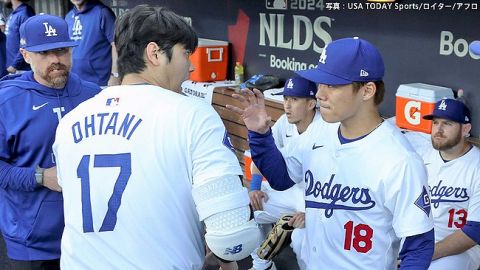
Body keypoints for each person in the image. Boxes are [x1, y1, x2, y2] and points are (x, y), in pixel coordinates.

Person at [53, 5, 260, 269]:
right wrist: (226, 256)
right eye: (185, 54)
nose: (191, 68)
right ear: (155, 53)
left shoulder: (71, 120)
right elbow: (232, 235)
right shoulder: (192, 114)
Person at [227, 37, 435, 269]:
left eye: (332, 85)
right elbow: (280, 178)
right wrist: (260, 135)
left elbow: (419, 245)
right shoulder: (318, 135)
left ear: (367, 90)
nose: (319, 94)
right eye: (320, 83)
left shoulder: (399, 159)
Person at [0, 14, 101, 270]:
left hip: (93, 236)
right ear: (25, 55)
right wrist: (40, 176)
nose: (55, 60)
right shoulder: (7, 101)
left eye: (62, 50)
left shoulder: (94, 96)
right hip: (34, 242)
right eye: (44, 53)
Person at [248, 77, 321, 270]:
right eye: (286, 98)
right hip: (289, 188)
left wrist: (312, 212)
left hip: (316, 197)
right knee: (248, 208)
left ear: (311, 103)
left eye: (294, 100)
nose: (287, 106)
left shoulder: (325, 128)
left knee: (300, 241)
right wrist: (255, 187)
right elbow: (260, 158)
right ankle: (261, 263)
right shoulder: (284, 122)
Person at [420, 98, 480, 270]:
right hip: (417, 240)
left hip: (460, 250)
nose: (438, 130)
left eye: (447, 123)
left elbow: (474, 232)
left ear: (466, 129)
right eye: (435, 122)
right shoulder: (421, 157)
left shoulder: (476, 167)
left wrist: (425, 254)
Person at [65, 0, 118, 86]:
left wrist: (115, 75)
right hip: (76, 82)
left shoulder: (103, 12)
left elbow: (116, 45)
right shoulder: (69, 17)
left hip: (100, 83)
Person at [2, 0, 34, 74]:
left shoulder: (25, 13)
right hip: (12, 69)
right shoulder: (14, 14)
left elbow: (27, 42)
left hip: (22, 70)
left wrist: (14, 65)